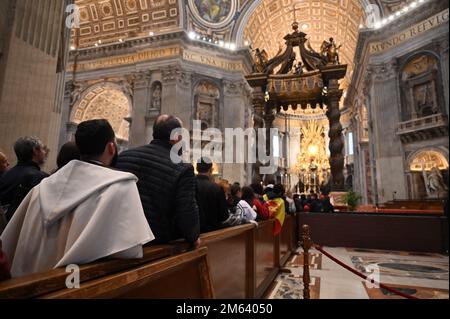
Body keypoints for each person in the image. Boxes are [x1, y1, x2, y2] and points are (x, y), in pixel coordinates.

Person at [1, 120, 154, 277]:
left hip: (28, 284)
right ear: (111, 148)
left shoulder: (41, 188)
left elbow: (10, 244)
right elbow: (128, 251)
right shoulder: (120, 186)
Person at [116, 115, 200, 246]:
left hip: (121, 238)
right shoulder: (183, 168)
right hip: (157, 244)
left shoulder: (124, 157)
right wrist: (193, 236)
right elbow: (186, 211)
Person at [0, 137, 49, 221]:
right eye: (42, 149)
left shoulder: (5, 175)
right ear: (35, 151)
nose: (45, 152)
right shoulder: (41, 178)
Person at [195, 158, 229, 233]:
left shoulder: (188, 185)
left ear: (197, 169)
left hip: (193, 233)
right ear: (210, 170)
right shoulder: (216, 188)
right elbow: (224, 216)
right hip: (212, 232)